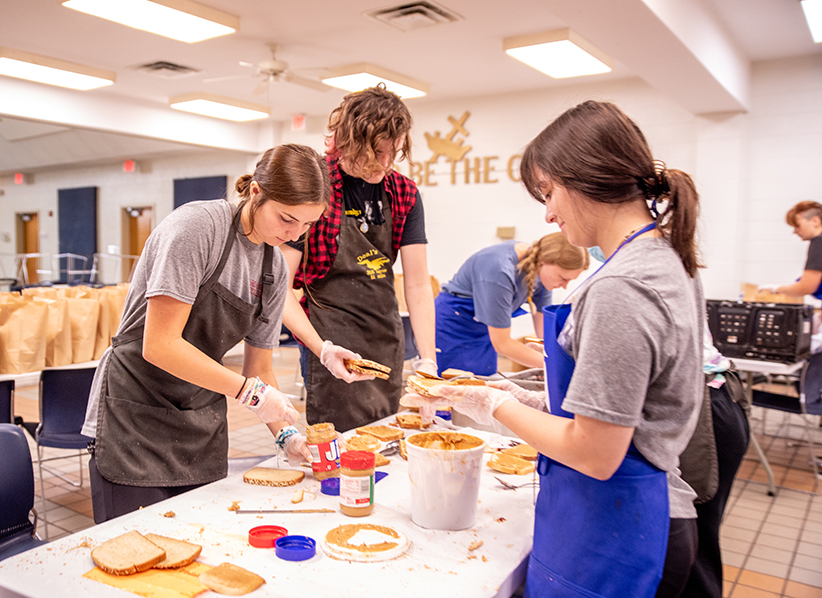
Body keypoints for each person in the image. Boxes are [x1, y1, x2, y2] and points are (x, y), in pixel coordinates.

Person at [406, 100, 704, 598]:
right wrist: (516, 396)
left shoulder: (621, 287)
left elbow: (596, 451)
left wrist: (493, 404)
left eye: (548, 192)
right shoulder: (663, 258)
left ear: (587, 177)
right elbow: (618, 411)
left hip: (618, 527)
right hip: (629, 513)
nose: (547, 213)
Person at [81, 144, 328, 523]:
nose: (295, 234)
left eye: (308, 225)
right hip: (135, 414)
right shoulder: (199, 228)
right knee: (130, 550)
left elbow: (259, 369)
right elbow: (160, 345)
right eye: (286, 219)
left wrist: (286, 436)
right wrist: (251, 394)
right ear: (256, 193)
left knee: (200, 548)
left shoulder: (274, 269)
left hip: (198, 423)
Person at [281, 84, 437, 433]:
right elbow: (280, 287)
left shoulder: (404, 194)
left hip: (384, 332)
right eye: (374, 153)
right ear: (345, 143)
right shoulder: (315, 185)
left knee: (388, 432)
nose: (384, 164)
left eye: (392, 153)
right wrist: (321, 350)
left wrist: (428, 359)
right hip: (329, 334)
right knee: (339, 441)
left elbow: (416, 282)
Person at [435, 232, 588, 376]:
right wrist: (554, 365)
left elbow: (544, 332)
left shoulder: (541, 272)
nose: (564, 286)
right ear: (545, 262)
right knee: (450, 391)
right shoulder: (499, 269)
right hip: (453, 327)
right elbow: (503, 344)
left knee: (480, 385)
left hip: (484, 331)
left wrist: (558, 355)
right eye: (563, 278)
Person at [679, 327, 750, 598]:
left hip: (703, 415)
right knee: (695, 543)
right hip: (716, 399)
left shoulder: (621, 287)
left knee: (692, 549)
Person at [761, 200, 822, 298]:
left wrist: (775, 289)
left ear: (815, 221)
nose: (794, 231)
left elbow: (806, 287)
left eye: (797, 226)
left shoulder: (819, 242)